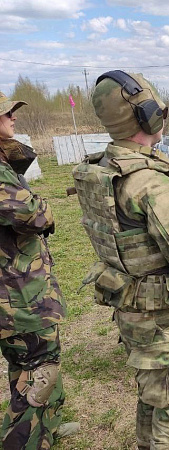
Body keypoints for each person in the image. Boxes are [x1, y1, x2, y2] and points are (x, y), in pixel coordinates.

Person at [72, 71, 169, 449]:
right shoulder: (150, 183)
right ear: (146, 116)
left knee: (154, 399)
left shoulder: (101, 169)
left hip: (133, 311)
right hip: (167, 321)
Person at [0, 92, 80, 449]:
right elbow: (33, 214)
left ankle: (45, 427)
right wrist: (44, 207)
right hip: (18, 298)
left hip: (19, 291)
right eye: (6, 114)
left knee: (32, 365)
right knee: (37, 370)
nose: (13, 118)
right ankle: (26, 440)